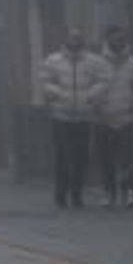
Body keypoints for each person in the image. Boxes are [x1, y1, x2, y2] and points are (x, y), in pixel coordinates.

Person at [39, 28, 110, 208]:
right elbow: (45, 81)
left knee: (81, 157)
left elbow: (104, 80)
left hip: (84, 116)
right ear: (66, 40)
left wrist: (91, 95)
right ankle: (60, 194)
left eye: (78, 37)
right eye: (72, 37)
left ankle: (77, 194)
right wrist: (59, 94)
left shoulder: (93, 61)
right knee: (62, 156)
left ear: (82, 40)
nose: (75, 40)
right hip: (60, 115)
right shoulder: (53, 60)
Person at [95, 25, 133, 208]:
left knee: (129, 158)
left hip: (127, 117)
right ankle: (108, 193)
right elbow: (92, 86)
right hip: (104, 118)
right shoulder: (97, 61)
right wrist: (96, 104)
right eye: (115, 38)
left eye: (122, 38)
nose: (119, 41)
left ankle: (131, 192)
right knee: (106, 159)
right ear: (108, 39)